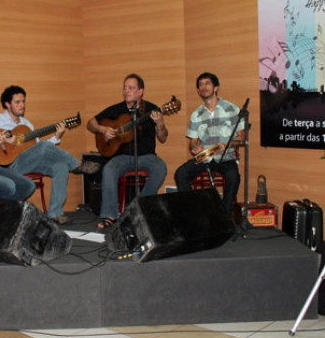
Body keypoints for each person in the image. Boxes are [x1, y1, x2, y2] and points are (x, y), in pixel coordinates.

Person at [0, 85, 101, 224]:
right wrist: (6, 137)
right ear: (7, 104)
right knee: (44, 147)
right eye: (17, 102)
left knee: (60, 166)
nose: (22, 105)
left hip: (27, 163)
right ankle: (76, 164)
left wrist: (56, 136)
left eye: (23, 101)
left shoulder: (26, 125)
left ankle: (55, 213)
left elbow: (38, 148)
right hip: (8, 166)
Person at [86, 73, 168, 230]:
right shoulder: (117, 109)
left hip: (147, 156)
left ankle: (140, 209)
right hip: (123, 157)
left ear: (141, 91)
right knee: (109, 169)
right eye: (125, 88)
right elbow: (91, 123)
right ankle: (110, 215)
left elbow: (163, 138)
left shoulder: (151, 109)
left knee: (161, 167)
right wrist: (103, 130)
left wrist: (160, 124)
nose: (126, 91)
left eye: (131, 88)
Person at [174, 72, 244, 215]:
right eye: (200, 85)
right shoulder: (196, 114)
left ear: (216, 88)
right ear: (198, 91)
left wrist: (228, 145)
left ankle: (225, 215)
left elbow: (242, 137)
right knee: (181, 173)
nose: (204, 87)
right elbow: (192, 141)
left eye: (207, 83)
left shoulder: (231, 109)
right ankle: (193, 212)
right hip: (205, 156)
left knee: (233, 176)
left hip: (226, 156)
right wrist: (194, 148)